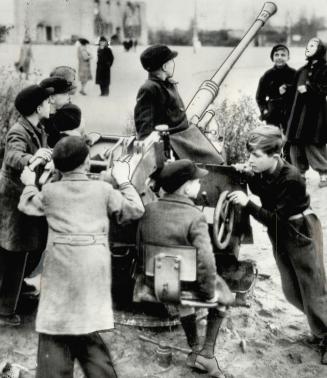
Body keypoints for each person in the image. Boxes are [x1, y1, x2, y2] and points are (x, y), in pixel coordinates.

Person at [18, 135, 144, 378]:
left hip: (61, 274)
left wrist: (30, 183)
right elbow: (136, 209)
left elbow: (26, 205)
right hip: (92, 274)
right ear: (87, 163)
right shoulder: (104, 190)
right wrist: (124, 180)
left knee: (55, 328)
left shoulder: (51, 192)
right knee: (86, 328)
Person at [229, 125, 327, 365]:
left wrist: (248, 204)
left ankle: (325, 335)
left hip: (299, 231)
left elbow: (276, 219)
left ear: (274, 156)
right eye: (250, 154)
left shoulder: (291, 178)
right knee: (292, 291)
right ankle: (320, 329)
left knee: (314, 290)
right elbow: (262, 187)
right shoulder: (265, 172)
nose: (251, 159)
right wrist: (247, 174)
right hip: (281, 234)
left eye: (256, 155)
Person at [138, 159, 234, 378]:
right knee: (225, 296)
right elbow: (206, 262)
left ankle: (194, 345)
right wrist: (209, 292)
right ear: (186, 187)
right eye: (197, 181)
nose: (200, 185)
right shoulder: (196, 217)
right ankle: (206, 352)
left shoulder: (147, 210)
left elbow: (139, 248)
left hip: (157, 284)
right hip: (185, 286)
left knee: (181, 291)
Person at [0, 85, 53, 326]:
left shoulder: (36, 128)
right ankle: (4, 311)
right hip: (15, 204)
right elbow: (12, 156)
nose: (50, 104)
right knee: (15, 254)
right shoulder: (18, 131)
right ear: (38, 107)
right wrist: (33, 159)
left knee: (34, 246)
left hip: (26, 198)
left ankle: (17, 290)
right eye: (47, 101)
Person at [286, 37, 327, 187]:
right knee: (296, 144)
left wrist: (310, 89)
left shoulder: (325, 69)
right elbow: (293, 91)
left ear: (320, 49)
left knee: (314, 144)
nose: (308, 48)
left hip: (315, 115)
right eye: (308, 45)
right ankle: (299, 175)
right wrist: (286, 89)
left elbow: (324, 88)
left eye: (312, 46)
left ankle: (324, 175)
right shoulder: (301, 70)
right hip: (298, 115)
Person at [134, 44, 189, 140]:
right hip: (172, 144)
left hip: (183, 137)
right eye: (171, 61)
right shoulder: (149, 89)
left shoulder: (168, 84)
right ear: (164, 66)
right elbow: (144, 132)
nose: (173, 64)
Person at [256, 44, 296, 133]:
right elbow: (259, 97)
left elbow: (298, 94)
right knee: (273, 140)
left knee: (289, 142)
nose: (279, 58)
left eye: (283, 55)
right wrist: (265, 110)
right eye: (276, 55)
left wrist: (287, 90)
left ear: (288, 57)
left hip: (289, 112)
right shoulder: (267, 75)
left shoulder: (294, 74)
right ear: (272, 58)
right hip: (272, 113)